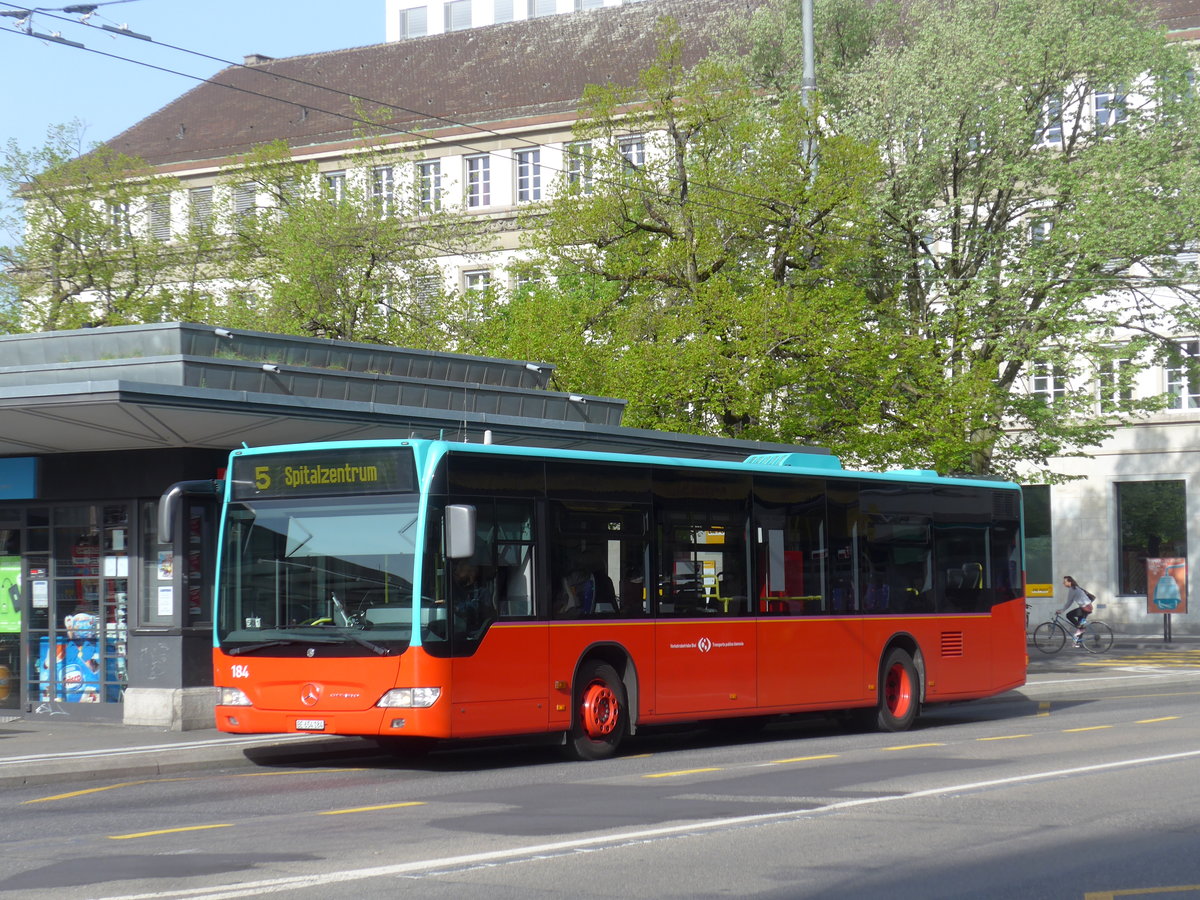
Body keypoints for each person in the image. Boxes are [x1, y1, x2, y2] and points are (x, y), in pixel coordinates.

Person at [1058, 575, 1095, 647]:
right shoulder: (1075, 588)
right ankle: (1078, 642)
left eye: (1064, 582)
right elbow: (1071, 602)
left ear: (1069, 582)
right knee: (1080, 625)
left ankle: (1081, 629)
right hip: (1087, 607)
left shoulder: (1072, 589)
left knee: (1069, 615)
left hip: (1085, 608)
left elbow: (1069, 602)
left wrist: (1062, 610)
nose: (1063, 583)